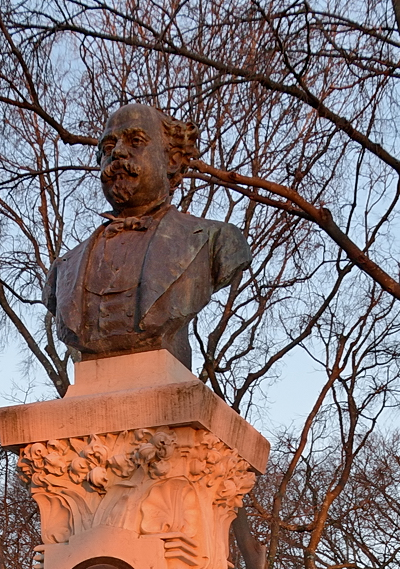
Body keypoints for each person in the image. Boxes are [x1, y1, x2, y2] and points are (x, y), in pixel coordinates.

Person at [42, 103, 251, 370]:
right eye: (108, 148)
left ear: (172, 159)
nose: (117, 152)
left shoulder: (215, 240)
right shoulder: (63, 269)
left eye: (136, 141)